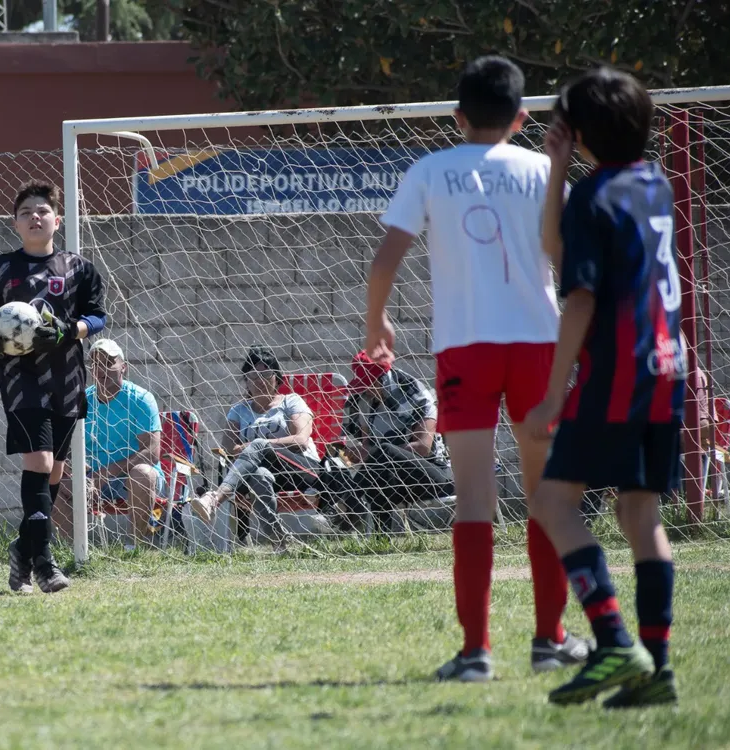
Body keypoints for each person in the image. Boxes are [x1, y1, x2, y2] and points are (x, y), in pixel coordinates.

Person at [364, 56, 588, 681]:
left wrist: (375, 324)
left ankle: (476, 653)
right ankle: (550, 639)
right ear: (521, 117)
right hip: (539, 345)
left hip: (465, 349)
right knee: (544, 494)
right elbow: (568, 260)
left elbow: (385, 258)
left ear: (456, 116)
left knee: (473, 498)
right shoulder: (546, 169)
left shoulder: (431, 170)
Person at [524, 67, 683, 707]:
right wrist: (561, 169)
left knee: (553, 504)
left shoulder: (595, 198)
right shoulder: (654, 184)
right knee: (639, 514)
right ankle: (657, 670)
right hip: (667, 371)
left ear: (580, 130)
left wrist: (556, 392)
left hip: (616, 374)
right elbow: (556, 245)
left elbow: (578, 295)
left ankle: (614, 640)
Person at [0, 179, 106, 594]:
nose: (35, 216)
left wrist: (70, 329)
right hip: (20, 380)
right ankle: (45, 565)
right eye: (26, 211)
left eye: (42, 211)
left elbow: (97, 316)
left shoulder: (78, 269)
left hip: (65, 380)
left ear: (57, 220)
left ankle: (22, 550)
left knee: (55, 472)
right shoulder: (0, 269)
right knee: (41, 462)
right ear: (15, 223)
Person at [190, 346, 320, 553]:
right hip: (266, 477)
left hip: (301, 470)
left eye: (266, 375)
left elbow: (301, 440)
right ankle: (279, 540)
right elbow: (229, 448)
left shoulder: (291, 401)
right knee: (259, 475)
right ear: (246, 381)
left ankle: (214, 498)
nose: (259, 381)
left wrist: (257, 446)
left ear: (277, 378)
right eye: (253, 376)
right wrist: (253, 448)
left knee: (259, 445)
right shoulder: (238, 410)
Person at [343, 350, 455, 533]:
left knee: (384, 451)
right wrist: (357, 453)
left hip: (432, 476)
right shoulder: (364, 402)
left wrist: (373, 453)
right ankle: (381, 539)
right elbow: (367, 448)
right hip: (392, 480)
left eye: (369, 383)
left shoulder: (416, 395)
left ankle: (347, 507)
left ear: (383, 379)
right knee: (377, 473)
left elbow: (422, 448)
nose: (366, 390)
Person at [81, 338, 168, 549]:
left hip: (135, 479)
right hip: (92, 477)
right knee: (55, 480)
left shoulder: (141, 399)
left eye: (108, 362)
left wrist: (105, 473)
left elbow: (151, 453)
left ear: (123, 368)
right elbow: (64, 448)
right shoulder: (82, 401)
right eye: (95, 363)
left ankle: (134, 546)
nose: (101, 368)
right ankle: (71, 552)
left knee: (143, 473)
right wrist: (80, 474)